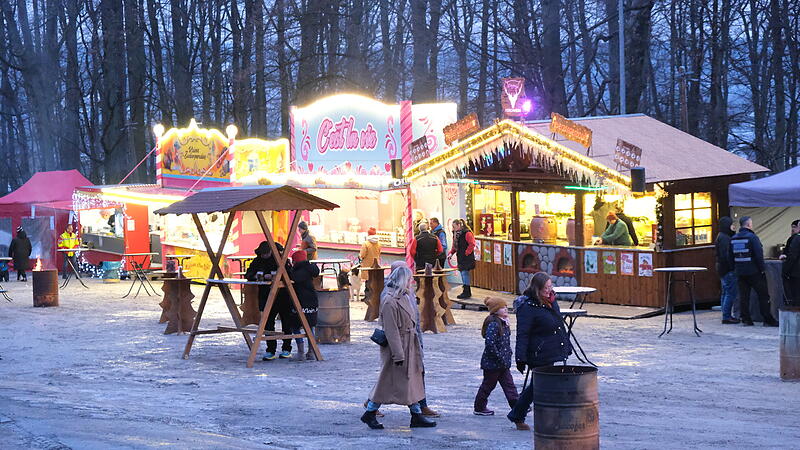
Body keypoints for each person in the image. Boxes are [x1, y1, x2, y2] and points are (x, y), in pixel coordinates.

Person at [361, 262, 436, 430]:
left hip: (408, 344)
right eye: (409, 279)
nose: (412, 282)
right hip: (399, 347)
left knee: (409, 381)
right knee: (388, 382)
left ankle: (415, 415)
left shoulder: (403, 296)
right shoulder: (389, 300)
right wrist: (398, 354)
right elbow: (391, 330)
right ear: (403, 279)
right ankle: (370, 412)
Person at [508, 272, 572, 430]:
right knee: (540, 385)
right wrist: (520, 358)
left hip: (551, 349)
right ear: (537, 288)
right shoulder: (527, 307)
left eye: (551, 286)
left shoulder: (550, 301)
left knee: (538, 385)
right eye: (546, 287)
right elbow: (523, 334)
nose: (550, 290)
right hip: (538, 353)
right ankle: (524, 416)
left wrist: (566, 345)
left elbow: (558, 324)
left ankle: (518, 415)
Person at [245, 241, 297, 359]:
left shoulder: (281, 259)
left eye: (266, 254)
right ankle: (271, 350)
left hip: (283, 296)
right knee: (268, 324)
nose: (264, 256)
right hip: (265, 295)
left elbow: (290, 275)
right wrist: (260, 275)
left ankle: (286, 348)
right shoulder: (257, 260)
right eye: (262, 254)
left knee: (286, 323)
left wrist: (276, 277)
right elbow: (248, 274)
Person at [473, 297, 519, 416]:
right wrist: (499, 356)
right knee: (488, 385)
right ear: (495, 310)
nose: (505, 309)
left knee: (509, 385)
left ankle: (517, 406)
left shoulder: (503, 322)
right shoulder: (493, 323)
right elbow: (490, 343)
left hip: (503, 363)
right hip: (493, 363)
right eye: (502, 308)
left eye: (505, 307)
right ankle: (479, 407)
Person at [731, 216, 779, 327]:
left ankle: (746, 319)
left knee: (744, 297)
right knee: (763, 296)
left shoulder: (734, 238)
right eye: (751, 223)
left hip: (740, 272)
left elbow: (730, 256)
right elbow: (758, 255)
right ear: (748, 225)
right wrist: (762, 269)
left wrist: (735, 269)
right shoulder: (752, 238)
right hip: (754, 272)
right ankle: (767, 319)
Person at [289, 250, 320, 361]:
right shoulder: (311, 268)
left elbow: (294, 278)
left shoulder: (298, 271)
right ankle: (311, 352)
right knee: (310, 326)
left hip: (300, 301)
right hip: (312, 301)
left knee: (296, 326)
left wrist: (288, 269)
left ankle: (301, 352)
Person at [715, 216, 739, 324]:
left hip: (722, 268)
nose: (733, 226)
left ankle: (725, 314)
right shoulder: (725, 238)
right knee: (730, 293)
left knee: (725, 292)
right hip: (727, 269)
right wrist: (732, 267)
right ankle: (727, 316)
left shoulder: (722, 236)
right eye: (731, 225)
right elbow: (726, 255)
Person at [448, 219, 476, 299]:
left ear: (459, 225)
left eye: (454, 226)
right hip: (460, 255)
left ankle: (466, 291)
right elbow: (455, 245)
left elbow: (472, 244)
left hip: (466, 256)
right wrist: (451, 253)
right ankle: (466, 290)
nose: (452, 228)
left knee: (464, 273)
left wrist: (466, 252)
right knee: (463, 273)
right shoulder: (456, 234)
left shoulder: (467, 233)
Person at [780, 219, 800, 306]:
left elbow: (792, 256)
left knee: (796, 296)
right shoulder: (793, 238)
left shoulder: (796, 238)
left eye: (795, 227)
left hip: (796, 272)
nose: (792, 229)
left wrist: (785, 271)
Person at [359, 227, 382, 301]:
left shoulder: (366, 244)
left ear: (368, 234)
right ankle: (374, 295)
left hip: (367, 265)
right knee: (374, 281)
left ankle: (367, 296)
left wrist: (359, 256)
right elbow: (379, 253)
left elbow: (362, 255)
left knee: (367, 281)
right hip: (376, 265)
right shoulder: (378, 243)